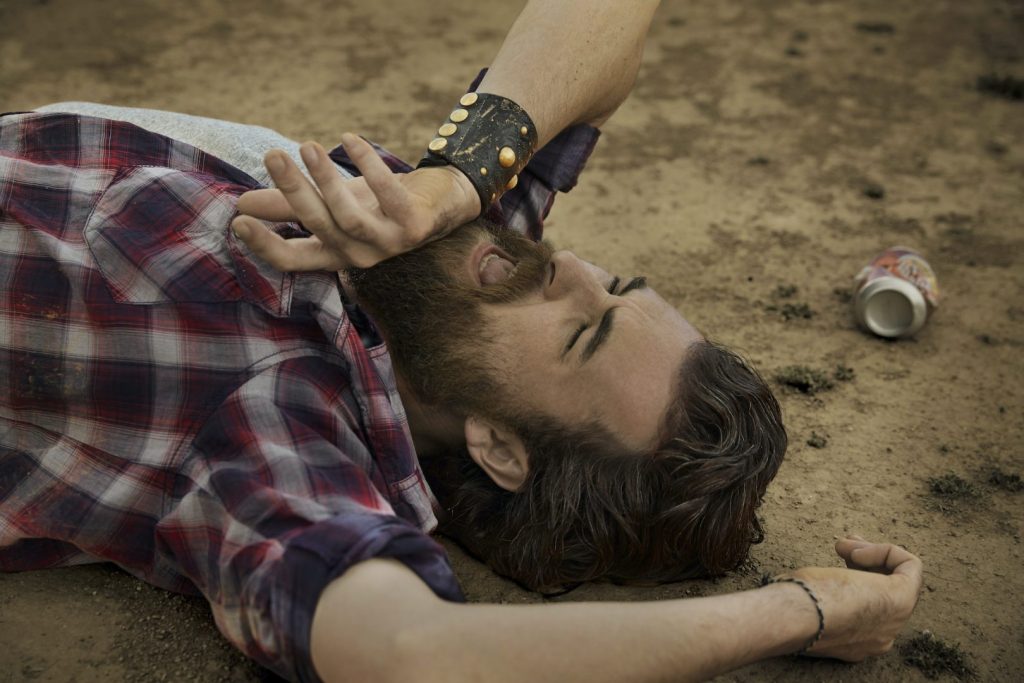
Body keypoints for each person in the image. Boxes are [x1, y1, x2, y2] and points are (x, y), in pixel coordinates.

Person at [0, 1, 923, 681]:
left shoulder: (277, 416)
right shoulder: (456, 257)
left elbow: (416, 653)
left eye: (587, 328)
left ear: (500, 445)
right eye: (620, 285)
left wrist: (797, 612)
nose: (572, 266)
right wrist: (458, 177)